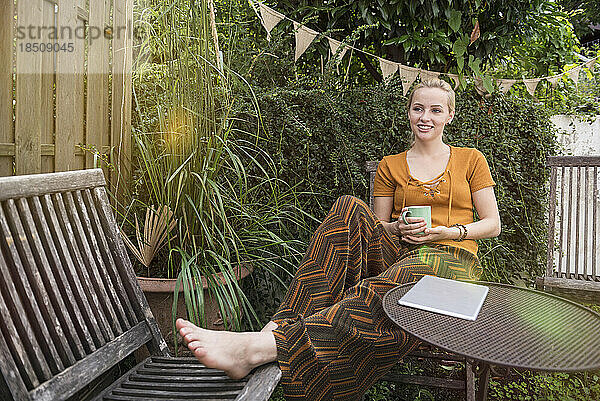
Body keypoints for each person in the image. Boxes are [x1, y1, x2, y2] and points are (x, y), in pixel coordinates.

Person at [176, 78, 501, 400]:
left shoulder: (471, 160)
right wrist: (398, 228)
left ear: (449, 115)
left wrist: (451, 232)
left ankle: (260, 348)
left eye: (435, 110)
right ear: (409, 113)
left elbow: (492, 224)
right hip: (400, 253)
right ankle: (275, 331)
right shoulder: (391, 165)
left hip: (452, 262)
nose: (425, 117)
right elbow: (378, 225)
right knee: (349, 206)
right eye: (418, 108)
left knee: (395, 282)